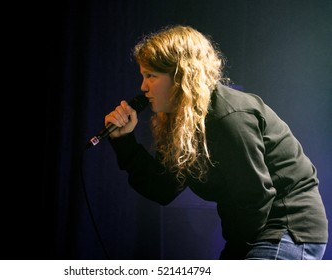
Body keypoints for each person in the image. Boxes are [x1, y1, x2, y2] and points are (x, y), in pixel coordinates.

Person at [104, 25, 328, 259]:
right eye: (143, 76)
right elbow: (163, 189)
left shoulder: (228, 116)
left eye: (151, 76)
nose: (143, 87)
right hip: (254, 233)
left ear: (181, 76)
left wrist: (235, 255)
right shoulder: (180, 124)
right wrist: (124, 142)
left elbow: (254, 198)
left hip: (287, 228)